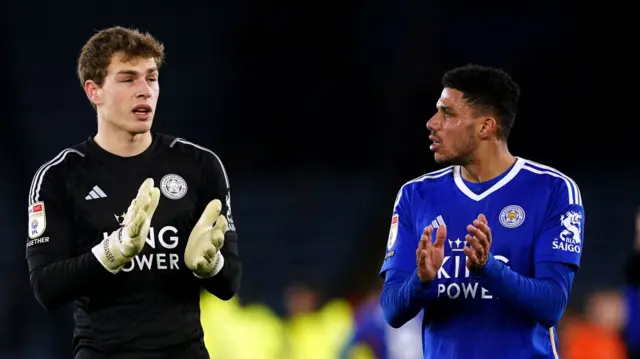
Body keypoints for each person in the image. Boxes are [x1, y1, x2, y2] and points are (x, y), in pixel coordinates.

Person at [26, 26, 242, 359]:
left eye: (151, 78)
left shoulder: (200, 165)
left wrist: (210, 266)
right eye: (128, 79)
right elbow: (46, 288)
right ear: (93, 91)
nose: (144, 90)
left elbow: (229, 285)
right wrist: (114, 251)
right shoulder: (59, 176)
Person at [379, 64, 585, 358]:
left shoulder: (553, 190)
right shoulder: (415, 195)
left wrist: (488, 269)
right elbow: (392, 310)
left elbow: (552, 305)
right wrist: (421, 281)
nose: (432, 122)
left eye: (447, 113)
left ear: (486, 127)